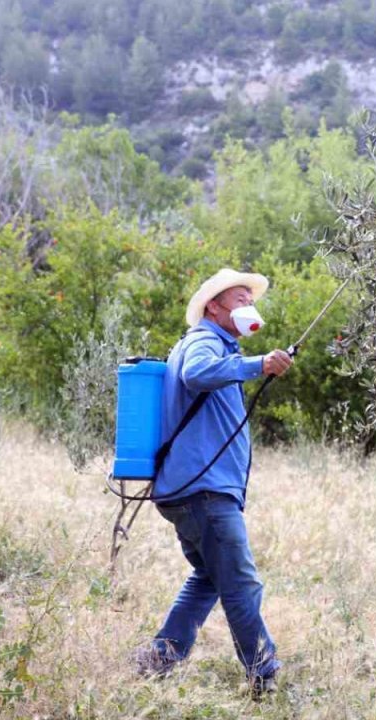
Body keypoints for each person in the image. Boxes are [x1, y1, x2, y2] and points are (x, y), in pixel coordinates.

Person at [133, 268, 294, 697]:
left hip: (191, 489)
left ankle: (158, 659)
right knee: (241, 584)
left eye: (249, 299)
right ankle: (264, 676)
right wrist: (258, 365)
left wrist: (248, 363)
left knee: (209, 576)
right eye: (240, 299)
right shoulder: (205, 342)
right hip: (202, 491)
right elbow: (196, 374)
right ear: (214, 307)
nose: (248, 306)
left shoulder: (222, 347)